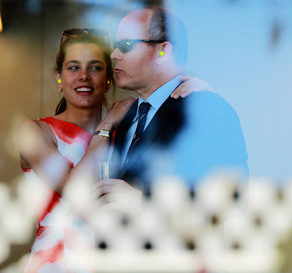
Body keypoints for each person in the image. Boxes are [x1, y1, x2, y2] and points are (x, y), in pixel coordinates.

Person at [17, 28, 204, 272]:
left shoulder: (131, 130)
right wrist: (105, 127)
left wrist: (194, 90)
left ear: (108, 79)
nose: (84, 76)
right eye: (73, 67)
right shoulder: (34, 132)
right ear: (58, 77)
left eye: (95, 67)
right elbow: (77, 192)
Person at [97, 6, 248, 202]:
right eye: (114, 46)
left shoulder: (205, 110)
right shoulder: (125, 115)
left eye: (126, 45)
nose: (114, 54)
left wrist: (142, 200)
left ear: (162, 51)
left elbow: (231, 198)